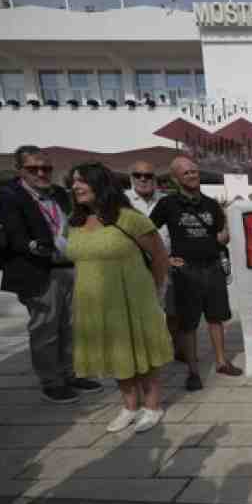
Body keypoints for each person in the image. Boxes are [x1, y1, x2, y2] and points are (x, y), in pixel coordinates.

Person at [0, 145, 102, 404]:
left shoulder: (60, 194)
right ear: (18, 170)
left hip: (70, 267)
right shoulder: (8, 196)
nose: (41, 173)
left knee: (73, 326)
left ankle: (71, 373)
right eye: (33, 168)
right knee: (46, 330)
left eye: (46, 168)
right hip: (38, 271)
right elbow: (9, 235)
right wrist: (35, 245)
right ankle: (51, 381)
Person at [66, 162, 173, 433]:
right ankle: (129, 406)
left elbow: (160, 257)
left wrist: (156, 292)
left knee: (143, 353)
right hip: (94, 303)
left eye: (82, 181)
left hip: (133, 299)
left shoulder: (129, 218)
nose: (75, 186)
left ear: (101, 184)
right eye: (73, 182)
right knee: (116, 355)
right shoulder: (76, 222)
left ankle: (152, 406)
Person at [150, 156, 243, 391]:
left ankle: (221, 362)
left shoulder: (211, 204)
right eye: (186, 173)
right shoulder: (167, 204)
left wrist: (224, 235)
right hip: (186, 271)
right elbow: (148, 233)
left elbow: (223, 232)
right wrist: (164, 258)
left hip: (212, 267)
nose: (192, 175)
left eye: (194, 171)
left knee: (216, 317)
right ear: (175, 178)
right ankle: (193, 370)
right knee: (188, 323)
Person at [124, 160, 183, 361]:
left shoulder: (168, 201)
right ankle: (145, 350)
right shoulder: (122, 202)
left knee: (173, 310)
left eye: (148, 175)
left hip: (168, 263)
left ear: (155, 179)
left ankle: (177, 348)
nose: (143, 179)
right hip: (136, 266)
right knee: (141, 312)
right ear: (131, 178)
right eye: (138, 175)